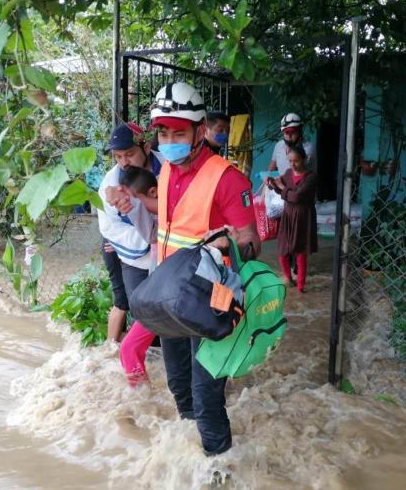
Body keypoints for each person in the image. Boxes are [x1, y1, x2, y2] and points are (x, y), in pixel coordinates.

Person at [109, 82, 260, 456]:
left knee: (207, 395)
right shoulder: (167, 172)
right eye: (163, 132)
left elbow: (252, 242)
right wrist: (137, 204)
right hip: (170, 299)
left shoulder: (228, 178)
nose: (170, 139)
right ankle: (186, 460)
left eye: (178, 131)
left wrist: (228, 241)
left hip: (211, 302)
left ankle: (219, 467)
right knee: (178, 384)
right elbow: (173, 219)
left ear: (200, 130)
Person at [98, 123, 161, 342]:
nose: (124, 162)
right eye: (118, 157)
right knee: (141, 311)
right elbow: (109, 227)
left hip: (168, 252)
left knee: (170, 311)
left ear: (145, 147)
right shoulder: (110, 184)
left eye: (130, 154)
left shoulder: (168, 167)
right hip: (134, 257)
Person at [116, 166, 160, 386]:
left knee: (129, 348)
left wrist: (132, 207)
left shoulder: (168, 216)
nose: (128, 206)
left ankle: (141, 396)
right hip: (161, 293)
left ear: (153, 193)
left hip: (165, 295)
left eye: (132, 200)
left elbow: (151, 235)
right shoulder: (160, 213)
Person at [268, 144, 318, 293]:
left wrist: (281, 187)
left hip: (303, 217)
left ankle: (301, 286)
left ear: (304, 159)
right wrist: (272, 184)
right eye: (290, 161)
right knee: (283, 250)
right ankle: (288, 278)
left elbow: (296, 196)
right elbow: (281, 190)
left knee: (301, 253)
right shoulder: (289, 173)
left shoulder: (311, 177)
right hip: (288, 215)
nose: (292, 164)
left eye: (296, 161)